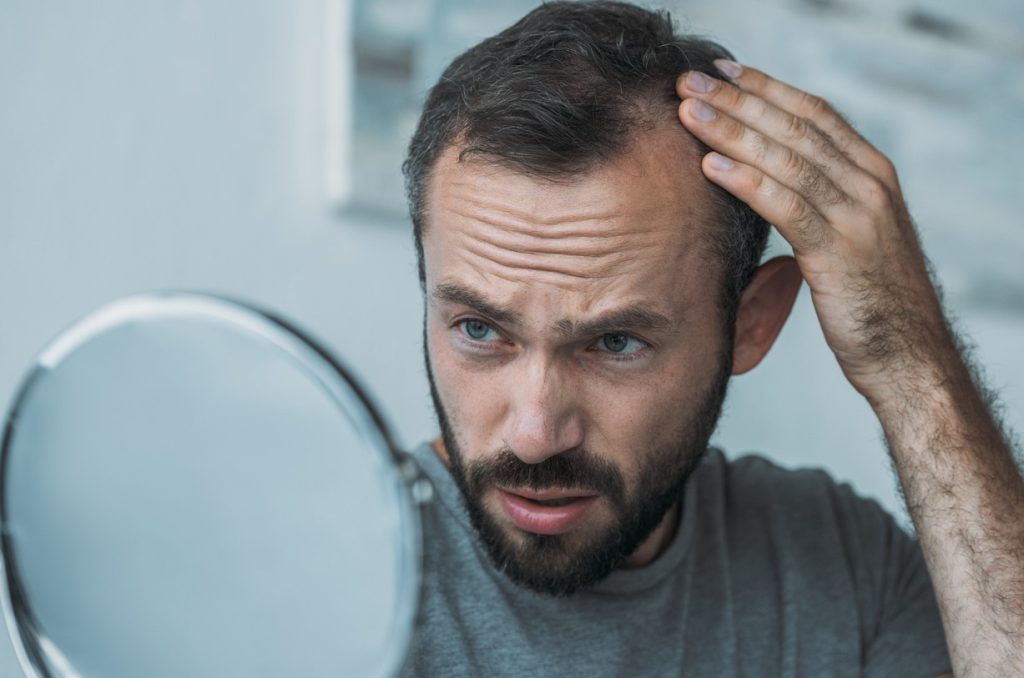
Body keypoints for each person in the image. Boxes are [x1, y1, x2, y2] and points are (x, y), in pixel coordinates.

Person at [396, 2, 1024, 675]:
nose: (535, 433)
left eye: (614, 343)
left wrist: (910, 361)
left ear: (751, 323)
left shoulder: (840, 567)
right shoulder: (328, 575)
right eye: (480, 330)